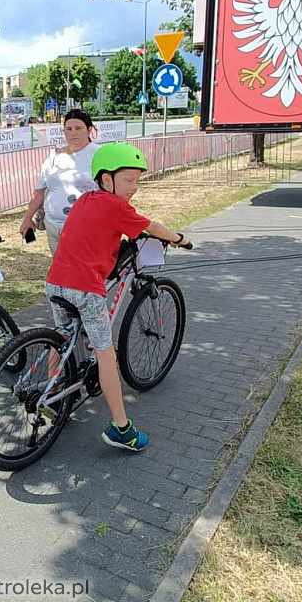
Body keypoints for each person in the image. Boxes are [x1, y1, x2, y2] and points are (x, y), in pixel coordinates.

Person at [44, 141, 191, 452]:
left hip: (56, 281)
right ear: (106, 179)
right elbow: (151, 226)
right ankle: (121, 429)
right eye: (128, 180)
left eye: (138, 181)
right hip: (84, 288)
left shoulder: (86, 200)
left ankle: (53, 394)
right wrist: (179, 238)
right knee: (105, 356)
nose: (134, 188)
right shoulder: (116, 206)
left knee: (63, 337)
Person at [20, 109, 100, 253]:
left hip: (85, 228)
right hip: (53, 227)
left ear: (89, 130)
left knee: (81, 272)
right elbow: (39, 193)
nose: (73, 133)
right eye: (68, 129)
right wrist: (27, 218)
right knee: (60, 270)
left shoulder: (100, 155)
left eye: (78, 128)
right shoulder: (54, 156)